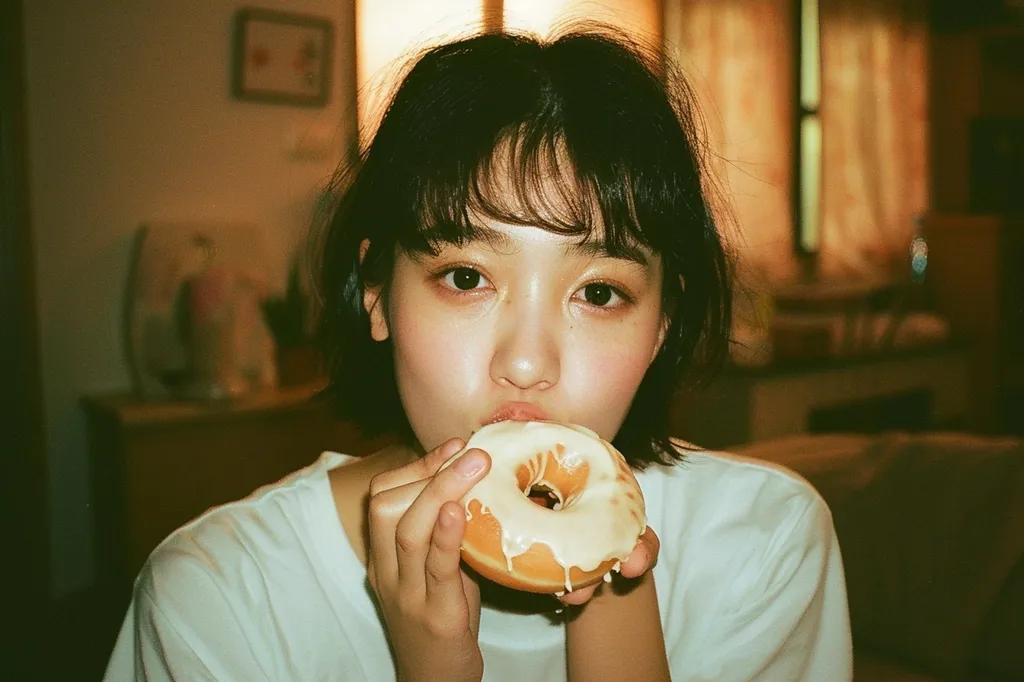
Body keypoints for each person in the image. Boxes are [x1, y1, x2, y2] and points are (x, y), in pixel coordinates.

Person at [103, 24, 853, 682]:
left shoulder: (766, 545)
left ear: (663, 324)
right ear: (376, 293)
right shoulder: (219, 599)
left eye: (598, 293)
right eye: (466, 277)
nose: (527, 363)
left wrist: (612, 596)